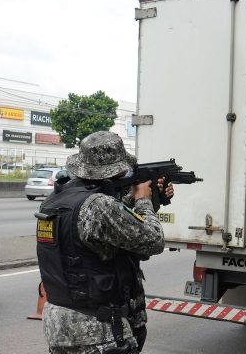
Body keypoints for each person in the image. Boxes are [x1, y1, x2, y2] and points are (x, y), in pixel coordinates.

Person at [38, 131, 171, 353]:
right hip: (98, 332)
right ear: (115, 169)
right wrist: (144, 201)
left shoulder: (55, 200)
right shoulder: (100, 206)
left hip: (59, 326)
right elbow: (153, 241)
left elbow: (104, 229)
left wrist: (138, 199)